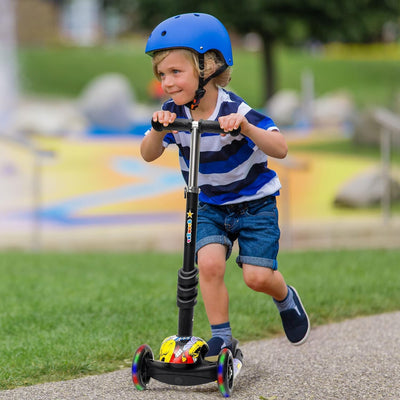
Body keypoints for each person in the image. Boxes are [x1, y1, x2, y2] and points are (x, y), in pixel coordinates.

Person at [140, 13, 310, 360]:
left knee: (257, 277)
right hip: (209, 205)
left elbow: (280, 148)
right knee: (209, 266)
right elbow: (147, 154)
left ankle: (285, 298)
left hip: (254, 204)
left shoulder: (234, 109)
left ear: (208, 67)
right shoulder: (172, 113)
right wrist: (159, 130)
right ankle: (222, 338)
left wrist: (245, 128)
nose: (167, 82)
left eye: (176, 72)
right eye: (161, 74)